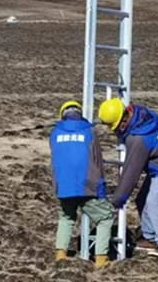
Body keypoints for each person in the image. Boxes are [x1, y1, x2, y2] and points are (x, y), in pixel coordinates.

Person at [98, 98, 158, 258]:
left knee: (153, 203)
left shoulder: (138, 139)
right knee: (141, 199)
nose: (113, 131)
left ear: (123, 122)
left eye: (114, 127)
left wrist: (117, 199)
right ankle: (149, 237)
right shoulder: (139, 113)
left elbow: (131, 174)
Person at [49, 100, 115, 268]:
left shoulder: (55, 133)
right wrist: (100, 189)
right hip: (87, 185)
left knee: (66, 217)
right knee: (105, 217)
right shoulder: (88, 131)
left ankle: (60, 254)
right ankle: (100, 258)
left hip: (63, 185)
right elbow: (97, 160)